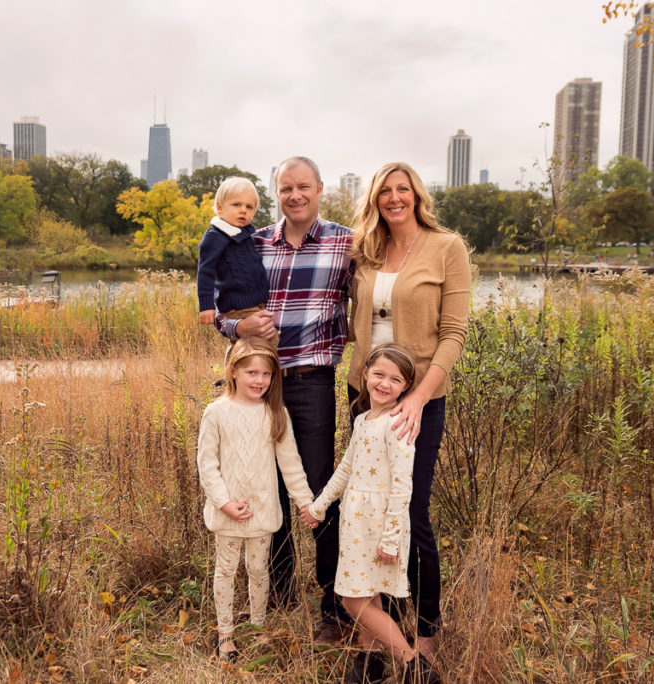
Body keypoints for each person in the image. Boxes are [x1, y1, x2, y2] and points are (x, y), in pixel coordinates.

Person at [215, 156, 354, 642]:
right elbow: (218, 307)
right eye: (285, 188)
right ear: (277, 193)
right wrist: (237, 326)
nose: (294, 196)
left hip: (313, 382)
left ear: (319, 188)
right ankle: (276, 591)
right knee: (262, 483)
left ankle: (334, 606)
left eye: (303, 187)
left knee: (315, 491)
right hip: (259, 382)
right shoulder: (250, 243)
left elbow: (379, 291)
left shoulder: (346, 242)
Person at [348, 161, 470, 659]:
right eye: (385, 191)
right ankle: (374, 634)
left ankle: (425, 634)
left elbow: (454, 335)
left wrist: (418, 397)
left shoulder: (447, 248)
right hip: (362, 395)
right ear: (375, 199)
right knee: (361, 510)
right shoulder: (366, 250)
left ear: (417, 195)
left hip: (417, 402)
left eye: (403, 190)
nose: (394, 198)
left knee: (409, 510)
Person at [304, 344, 441, 684]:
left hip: (380, 527)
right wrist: (319, 506)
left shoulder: (398, 425)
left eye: (395, 379)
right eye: (379, 374)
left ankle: (415, 668)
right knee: (367, 594)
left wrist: (392, 540)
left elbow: (402, 487)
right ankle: (370, 665)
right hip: (355, 523)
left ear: (406, 387)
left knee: (353, 601)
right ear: (364, 374)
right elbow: (346, 469)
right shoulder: (364, 420)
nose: (384, 383)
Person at [196, 336, 317, 662]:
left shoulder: (276, 414)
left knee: (259, 570)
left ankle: (257, 630)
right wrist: (223, 502)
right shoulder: (216, 413)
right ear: (233, 371)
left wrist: (305, 502)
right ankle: (225, 636)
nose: (259, 380)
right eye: (251, 372)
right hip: (228, 512)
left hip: (261, 511)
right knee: (225, 570)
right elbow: (207, 465)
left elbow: (291, 465)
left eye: (266, 374)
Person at [196, 177, 270, 336]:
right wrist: (206, 306)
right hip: (237, 308)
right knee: (255, 345)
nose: (243, 210)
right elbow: (205, 272)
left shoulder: (247, 235)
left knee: (271, 342)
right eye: (237, 205)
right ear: (219, 208)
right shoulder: (215, 236)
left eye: (249, 207)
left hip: (258, 305)